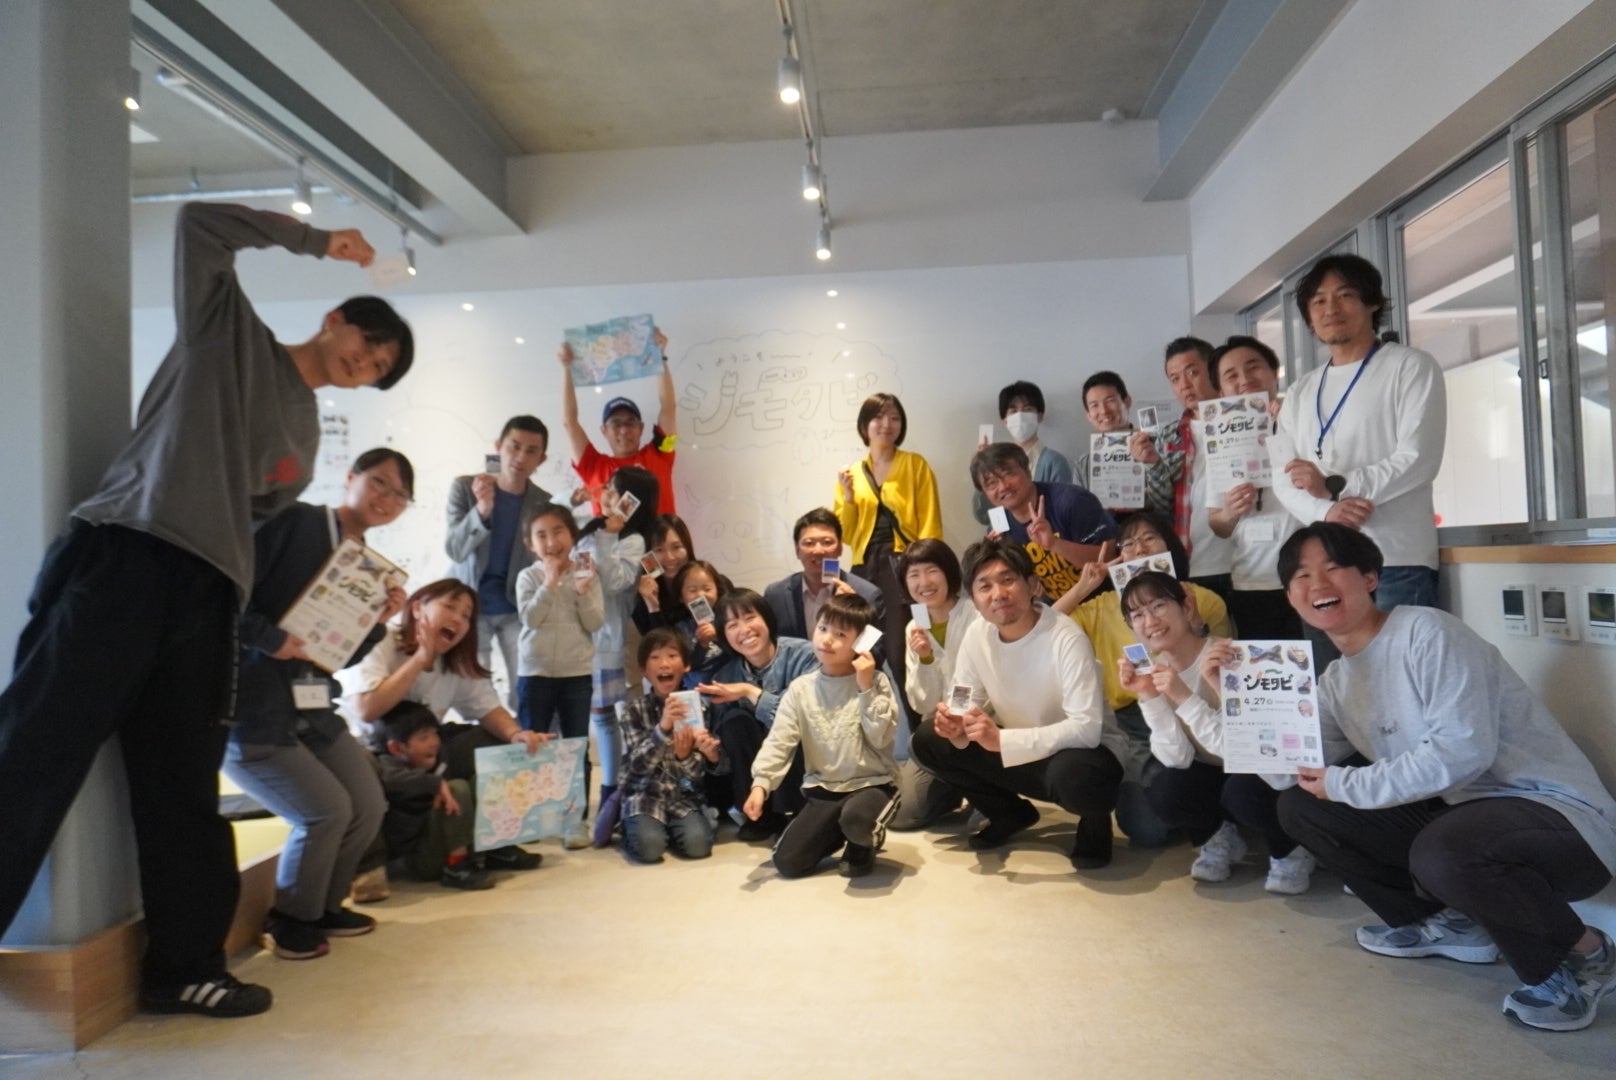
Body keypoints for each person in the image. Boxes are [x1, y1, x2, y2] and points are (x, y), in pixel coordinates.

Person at [0, 202, 412, 1019]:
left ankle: (184, 968)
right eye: (367, 344)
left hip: (209, 594)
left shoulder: (304, 435)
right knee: (38, 744)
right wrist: (316, 240)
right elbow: (198, 225)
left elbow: (253, 521)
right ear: (335, 318)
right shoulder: (225, 325)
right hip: (126, 552)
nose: (364, 362)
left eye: (378, 367)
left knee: (184, 781)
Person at [1271, 523, 1616, 1032]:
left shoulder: (1427, 632)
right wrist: (1225, 699)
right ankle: (1445, 925)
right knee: (1302, 807)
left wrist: (1345, 784)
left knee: (1444, 849)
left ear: (1370, 578)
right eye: (1302, 575)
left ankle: (1584, 956)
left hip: (1559, 822)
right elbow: (1284, 773)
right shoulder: (1337, 681)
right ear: (1290, 596)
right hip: (1461, 818)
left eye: (1333, 567)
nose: (1318, 583)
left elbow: (1463, 752)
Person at [224, 448, 412, 960]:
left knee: (368, 804)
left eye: (399, 495)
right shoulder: (296, 523)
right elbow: (228, 594)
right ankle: (289, 918)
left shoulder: (367, 567)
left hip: (310, 706)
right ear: (351, 477)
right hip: (256, 708)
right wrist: (270, 639)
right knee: (326, 810)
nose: (387, 499)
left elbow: (338, 656)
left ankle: (324, 906)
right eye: (380, 482)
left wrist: (377, 621)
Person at [910, 539, 1129, 871]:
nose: (998, 593)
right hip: (1020, 748)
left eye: (1008, 580)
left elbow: (1085, 729)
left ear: (1033, 585)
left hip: (1082, 753)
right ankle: (1009, 813)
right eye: (985, 586)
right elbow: (963, 695)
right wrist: (955, 720)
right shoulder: (977, 635)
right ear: (975, 600)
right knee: (930, 739)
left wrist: (1002, 740)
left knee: (1076, 776)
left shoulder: (1066, 637)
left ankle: (1094, 821)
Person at [1271, 255, 1446, 634]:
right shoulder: (1301, 390)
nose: (1330, 309)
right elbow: (1283, 477)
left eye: (1345, 295)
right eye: (1318, 301)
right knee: (1333, 671)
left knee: (1401, 665)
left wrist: (1335, 486)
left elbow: (1419, 458)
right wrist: (1326, 511)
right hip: (1321, 565)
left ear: (1373, 303)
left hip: (1394, 557)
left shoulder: (1410, 367)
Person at [1115, 572, 1315, 894]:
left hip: (1264, 769)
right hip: (1212, 770)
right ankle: (1219, 839)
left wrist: (1185, 697)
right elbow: (1177, 759)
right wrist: (1149, 696)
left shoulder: (1228, 657)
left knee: (1242, 791)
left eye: (1159, 605)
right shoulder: (1154, 672)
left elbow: (1247, 750)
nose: (1150, 621)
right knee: (1164, 788)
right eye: (1137, 615)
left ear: (1187, 607)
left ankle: (1290, 848)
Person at [1051, 511, 1234, 846]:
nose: (1139, 549)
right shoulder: (1104, 604)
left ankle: (1221, 816)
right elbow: (1044, 630)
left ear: (1170, 545)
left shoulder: (1200, 598)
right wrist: (1084, 587)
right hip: (1133, 717)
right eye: (1128, 543)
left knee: (1235, 787)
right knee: (1147, 828)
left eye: (1150, 538)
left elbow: (1216, 657)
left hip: (1198, 703)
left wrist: (1193, 618)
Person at [743, 593, 900, 879]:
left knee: (858, 820)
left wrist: (865, 688)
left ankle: (861, 842)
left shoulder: (876, 681)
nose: (826, 639)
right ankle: (843, 830)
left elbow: (881, 738)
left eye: (840, 634)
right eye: (823, 628)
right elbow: (780, 740)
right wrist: (761, 785)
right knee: (788, 862)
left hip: (873, 784)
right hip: (824, 789)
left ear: (861, 643)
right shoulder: (800, 689)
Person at [833, 392, 943, 718]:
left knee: (900, 650)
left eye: (894, 417)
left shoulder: (915, 465)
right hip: (865, 569)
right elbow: (845, 536)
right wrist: (848, 497)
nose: (886, 424)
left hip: (903, 566)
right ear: (864, 426)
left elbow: (931, 523)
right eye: (878, 417)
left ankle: (918, 724)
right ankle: (872, 725)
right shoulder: (851, 474)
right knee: (864, 646)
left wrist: (923, 571)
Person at [444, 415, 555, 709]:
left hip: (516, 607)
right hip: (469, 605)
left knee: (527, 686)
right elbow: (455, 550)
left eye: (531, 451)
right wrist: (482, 509)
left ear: (541, 459)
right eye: (514, 446)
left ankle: (524, 734)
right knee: (476, 692)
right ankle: (489, 735)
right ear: (498, 446)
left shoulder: (544, 503)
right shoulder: (465, 488)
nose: (520, 457)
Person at [575, 466, 661, 836]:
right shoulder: (591, 531)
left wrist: (609, 536)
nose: (606, 494)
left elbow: (614, 582)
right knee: (597, 715)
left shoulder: (634, 540)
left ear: (631, 502)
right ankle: (606, 792)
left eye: (614, 489)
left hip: (613, 642)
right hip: (582, 639)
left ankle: (620, 791)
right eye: (608, 487)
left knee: (623, 716)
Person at [514, 502, 604, 849]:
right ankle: (531, 818)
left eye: (558, 531)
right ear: (530, 544)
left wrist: (582, 592)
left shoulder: (587, 574)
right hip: (534, 673)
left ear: (572, 535)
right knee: (533, 747)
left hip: (575, 674)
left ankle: (574, 821)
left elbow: (595, 623)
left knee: (575, 748)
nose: (551, 542)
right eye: (541, 535)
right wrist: (549, 584)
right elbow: (529, 619)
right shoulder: (528, 577)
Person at [696, 589, 818, 838]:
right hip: (756, 776)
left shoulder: (806, 655)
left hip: (808, 766)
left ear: (767, 618)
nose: (744, 630)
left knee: (788, 726)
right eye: (732, 625)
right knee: (735, 722)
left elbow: (799, 721)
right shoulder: (724, 676)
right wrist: (712, 753)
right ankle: (759, 816)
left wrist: (749, 691)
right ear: (724, 635)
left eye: (750, 617)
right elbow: (725, 758)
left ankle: (795, 812)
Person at [1205, 338, 1304, 640]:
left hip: (1308, 576)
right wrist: (1231, 511)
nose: (1245, 379)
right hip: (1252, 580)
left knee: (1320, 663)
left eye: (1253, 368)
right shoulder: (1219, 442)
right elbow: (1218, 525)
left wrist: (1288, 422)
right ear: (1220, 392)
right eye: (1231, 375)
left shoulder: (1303, 421)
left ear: (1275, 373)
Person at [1129, 337, 1234, 602]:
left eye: (1192, 372)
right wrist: (1152, 464)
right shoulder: (1169, 435)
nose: (1184, 385)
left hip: (1248, 559)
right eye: (1175, 379)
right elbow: (1163, 506)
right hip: (1193, 561)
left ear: (1213, 369)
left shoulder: (1244, 421)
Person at [618, 629, 724, 863]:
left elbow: (696, 777)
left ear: (686, 666)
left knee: (699, 846)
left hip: (682, 796)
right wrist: (662, 728)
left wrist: (687, 756)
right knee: (650, 848)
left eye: (672, 656)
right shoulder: (633, 710)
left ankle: (674, 827)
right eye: (655, 658)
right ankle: (633, 826)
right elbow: (636, 767)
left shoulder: (698, 710)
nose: (664, 664)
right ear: (643, 670)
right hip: (643, 795)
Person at [891, 539, 976, 831]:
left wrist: (957, 714)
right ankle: (952, 788)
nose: (924, 582)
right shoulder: (914, 626)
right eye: (913, 575)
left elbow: (982, 681)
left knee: (981, 821)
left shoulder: (975, 614)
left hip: (979, 724)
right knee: (903, 814)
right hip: (937, 733)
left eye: (932, 571)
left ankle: (984, 790)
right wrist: (925, 658)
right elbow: (922, 704)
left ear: (948, 572)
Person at [374, 703, 499, 892]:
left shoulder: (438, 757)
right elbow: (390, 778)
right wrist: (435, 783)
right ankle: (457, 867)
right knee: (457, 789)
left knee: (479, 781)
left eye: (434, 734)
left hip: (439, 841)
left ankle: (497, 850)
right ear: (397, 748)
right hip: (418, 856)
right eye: (423, 738)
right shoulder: (389, 767)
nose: (434, 742)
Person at [970, 442, 1116, 602]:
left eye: (1008, 474)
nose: (1003, 486)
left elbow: (1110, 557)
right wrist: (995, 559)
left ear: (1027, 471)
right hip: (1058, 610)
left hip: (1106, 600)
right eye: (992, 483)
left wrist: (1054, 544)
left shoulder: (1072, 501)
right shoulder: (999, 527)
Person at [558, 328, 677, 514]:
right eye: (616, 423)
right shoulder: (593, 466)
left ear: (641, 428)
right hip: (609, 534)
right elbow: (569, 422)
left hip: (662, 534)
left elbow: (668, 408)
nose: (624, 430)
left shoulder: (661, 454)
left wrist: (660, 356)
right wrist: (567, 368)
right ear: (604, 430)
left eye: (630, 422)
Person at [764, 507, 885, 643]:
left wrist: (855, 612)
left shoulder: (867, 595)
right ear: (797, 550)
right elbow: (769, 643)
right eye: (809, 543)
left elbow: (875, 648)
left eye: (827, 542)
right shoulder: (776, 594)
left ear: (840, 548)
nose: (818, 550)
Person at [971, 381, 1074, 525]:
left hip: (1047, 535)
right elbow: (983, 515)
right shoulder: (994, 464)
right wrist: (983, 468)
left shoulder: (1054, 462)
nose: (1020, 416)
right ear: (1005, 421)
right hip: (1007, 536)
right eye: (1013, 411)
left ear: (1039, 416)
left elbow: (1063, 510)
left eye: (1027, 409)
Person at [631, 513, 696, 634]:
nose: (670, 557)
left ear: (688, 547)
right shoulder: (641, 600)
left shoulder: (710, 583)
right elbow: (656, 643)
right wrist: (653, 606)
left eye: (676, 547)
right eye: (659, 550)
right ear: (647, 555)